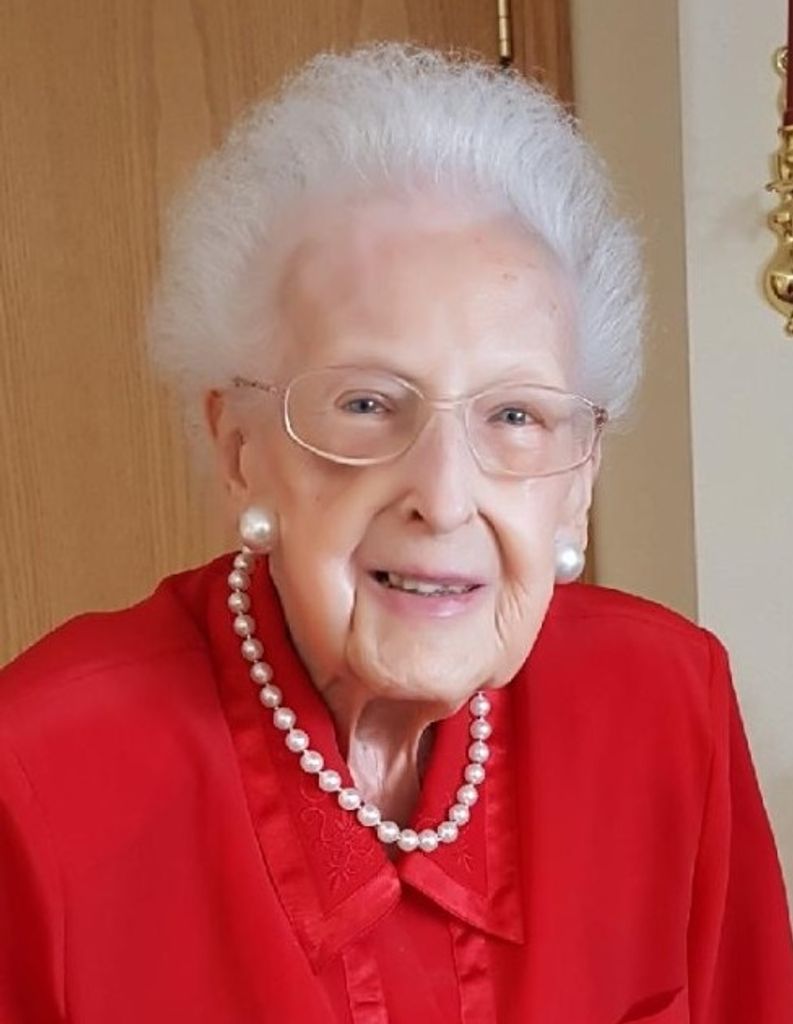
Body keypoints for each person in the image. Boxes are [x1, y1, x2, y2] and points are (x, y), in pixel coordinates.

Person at [1, 41, 792, 1024]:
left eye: (514, 415)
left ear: (579, 476)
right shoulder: (38, 779)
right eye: (368, 404)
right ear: (239, 447)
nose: (444, 497)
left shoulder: (665, 708)